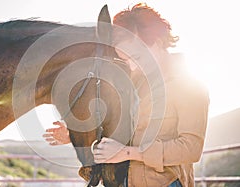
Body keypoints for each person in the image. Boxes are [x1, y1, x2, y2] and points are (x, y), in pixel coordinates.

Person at [43, 3, 209, 187]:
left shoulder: (187, 84)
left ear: (158, 41)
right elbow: (116, 129)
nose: (131, 66)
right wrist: (75, 133)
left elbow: (191, 149)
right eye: (125, 60)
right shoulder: (135, 82)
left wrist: (128, 153)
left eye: (136, 57)